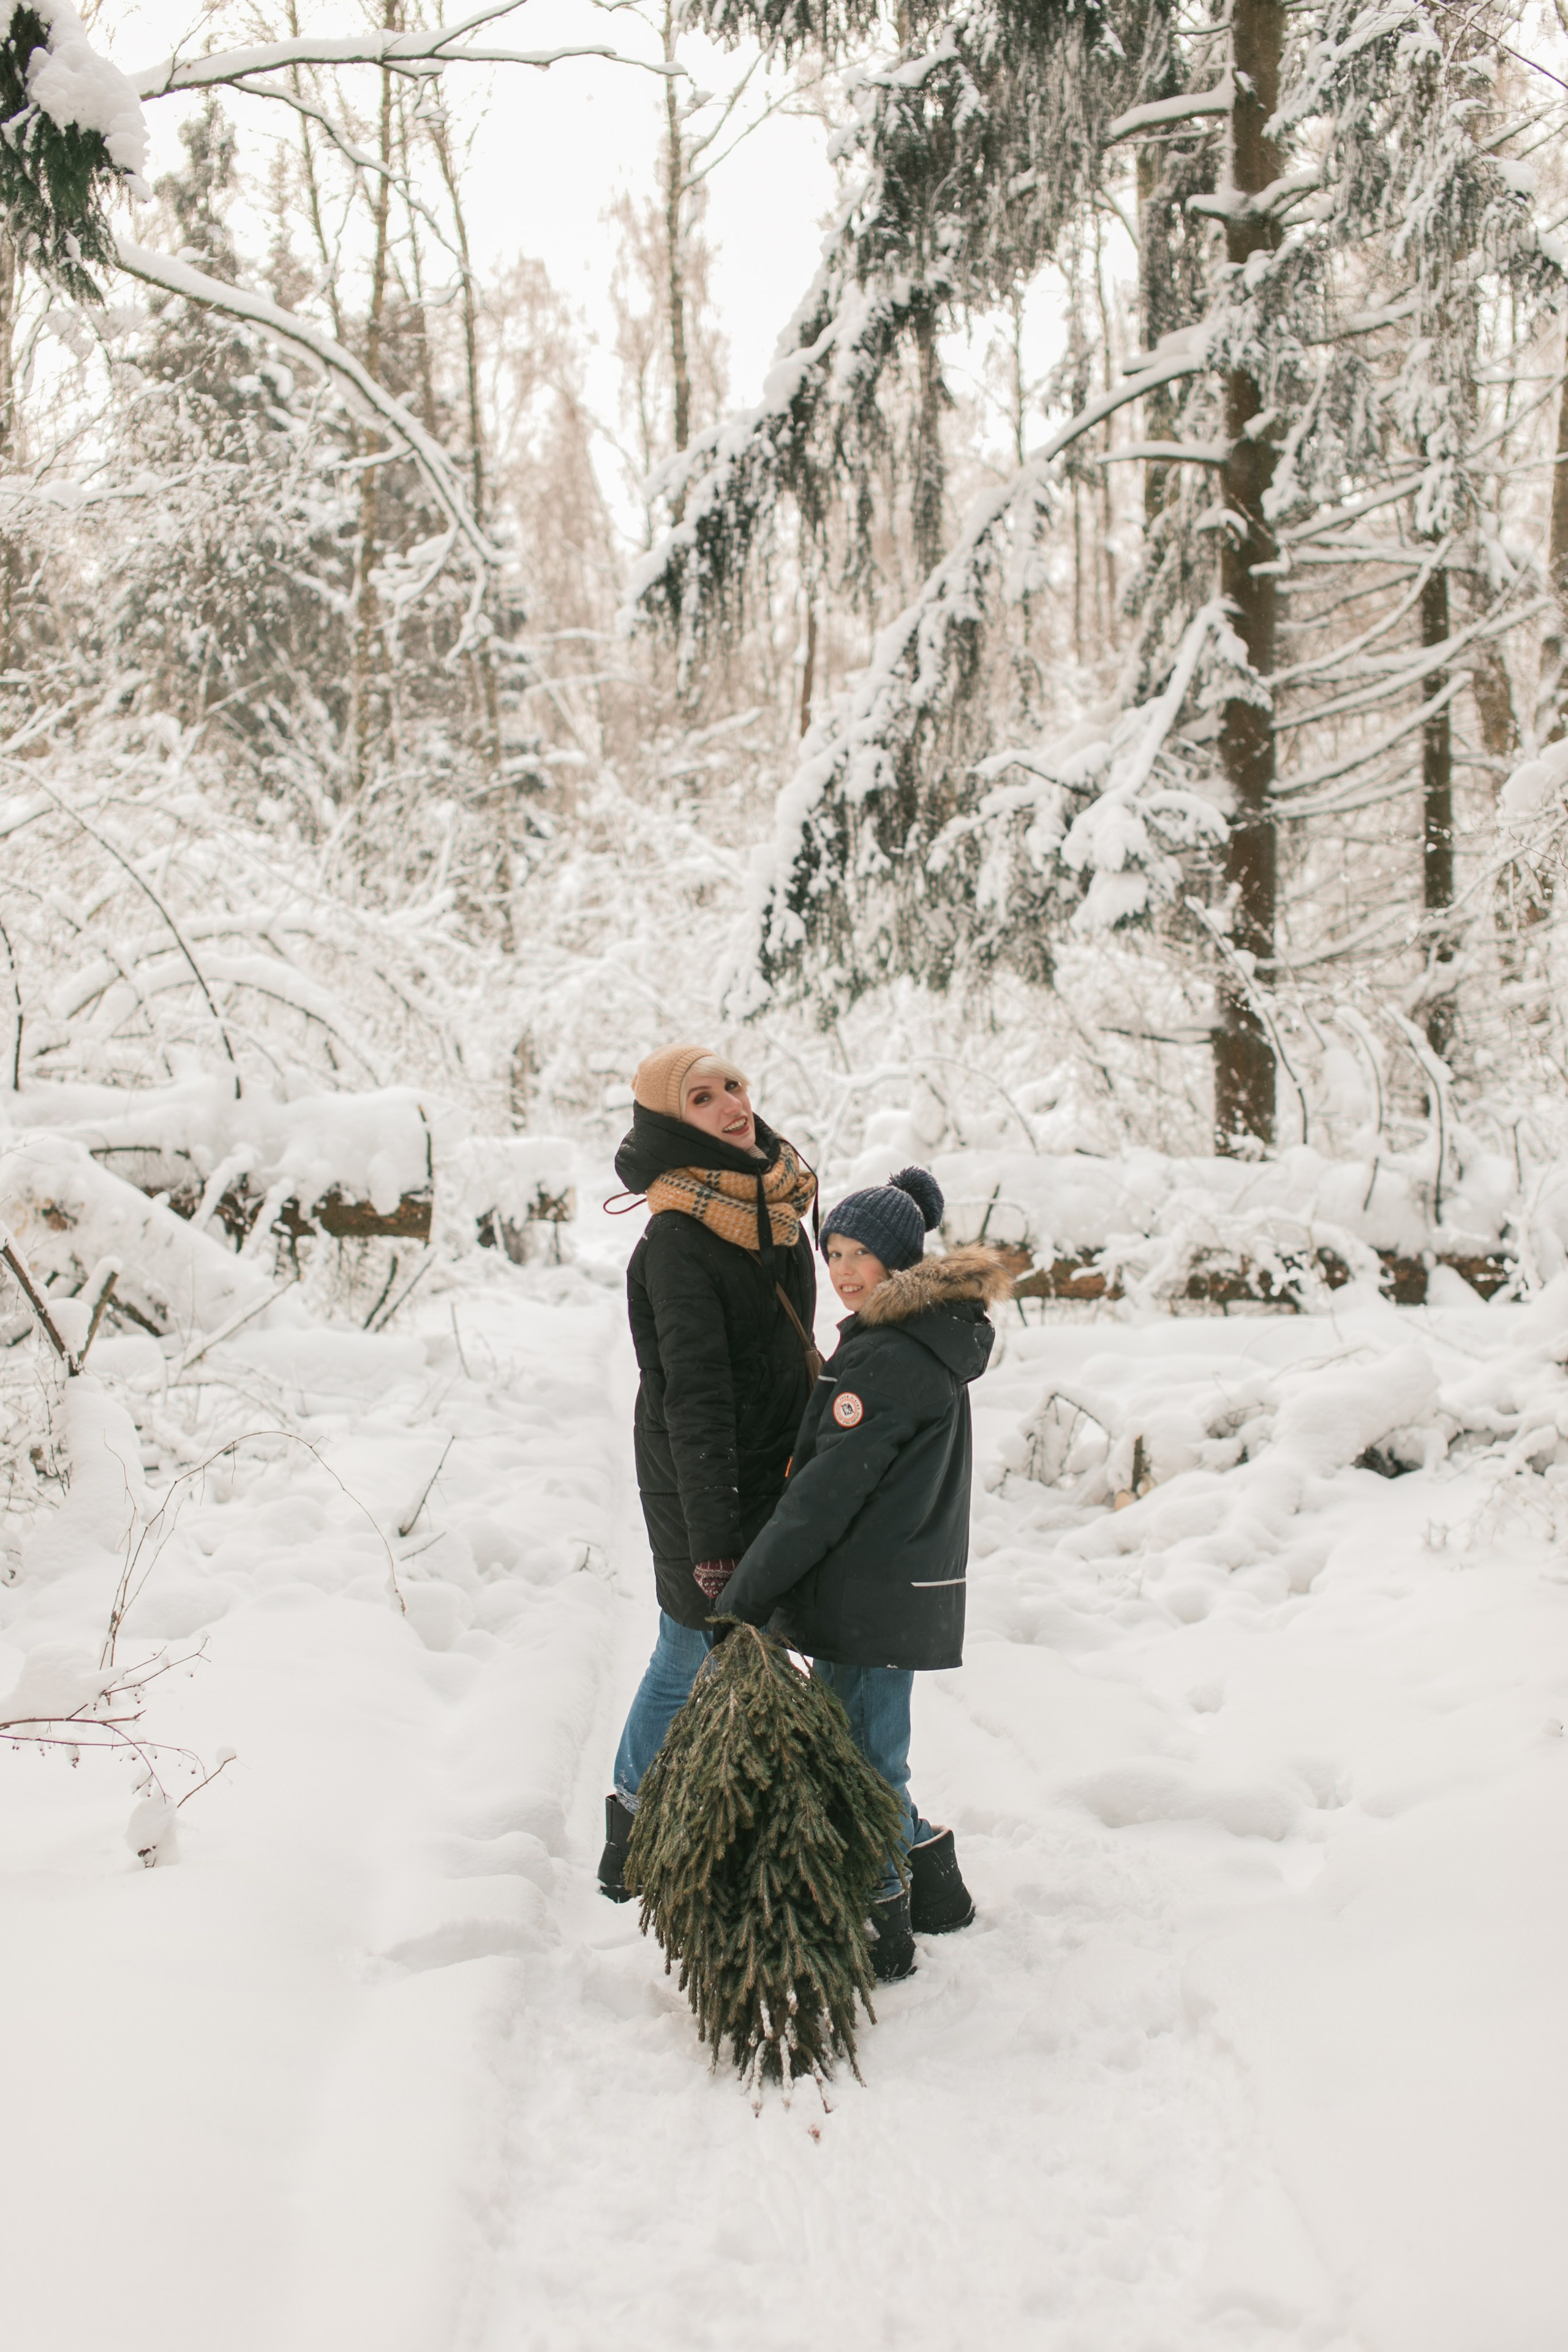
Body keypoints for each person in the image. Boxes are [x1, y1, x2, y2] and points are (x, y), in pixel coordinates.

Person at [716, 1166, 1011, 1981]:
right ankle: (937, 1893)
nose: (842, 1270)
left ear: (899, 1259)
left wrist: (746, 1597)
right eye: (832, 1252)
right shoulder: (919, 1337)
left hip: (870, 1589)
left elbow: (823, 1495)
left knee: (863, 1760)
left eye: (859, 1254)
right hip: (897, 1584)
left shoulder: (888, 1356)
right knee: (872, 1741)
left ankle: (880, 1932)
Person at [597, 1041, 818, 1901]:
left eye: (736, 1086)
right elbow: (693, 1399)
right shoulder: (677, 1241)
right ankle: (632, 1814)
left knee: (759, 1649)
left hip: (777, 1472)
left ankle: (733, 1809)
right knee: (690, 1643)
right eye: (703, 1097)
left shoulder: (779, 1214)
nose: (732, 1104)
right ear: (668, 1121)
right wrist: (715, 1541)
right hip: (700, 1483)